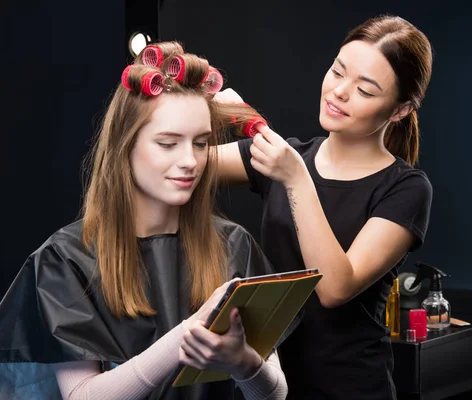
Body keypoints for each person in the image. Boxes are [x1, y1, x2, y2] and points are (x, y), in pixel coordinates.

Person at [0, 41, 288, 400]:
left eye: (200, 143)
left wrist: (244, 364)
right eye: (168, 143)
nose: (190, 161)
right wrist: (190, 333)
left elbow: (274, 394)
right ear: (126, 146)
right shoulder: (66, 260)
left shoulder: (233, 246)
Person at [215, 14, 434, 400]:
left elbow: (335, 287)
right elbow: (176, 166)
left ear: (399, 109)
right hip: (266, 385)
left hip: (351, 388)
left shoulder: (406, 189)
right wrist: (197, 105)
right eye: (337, 71)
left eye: (365, 91)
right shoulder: (287, 156)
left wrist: (296, 178)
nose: (339, 92)